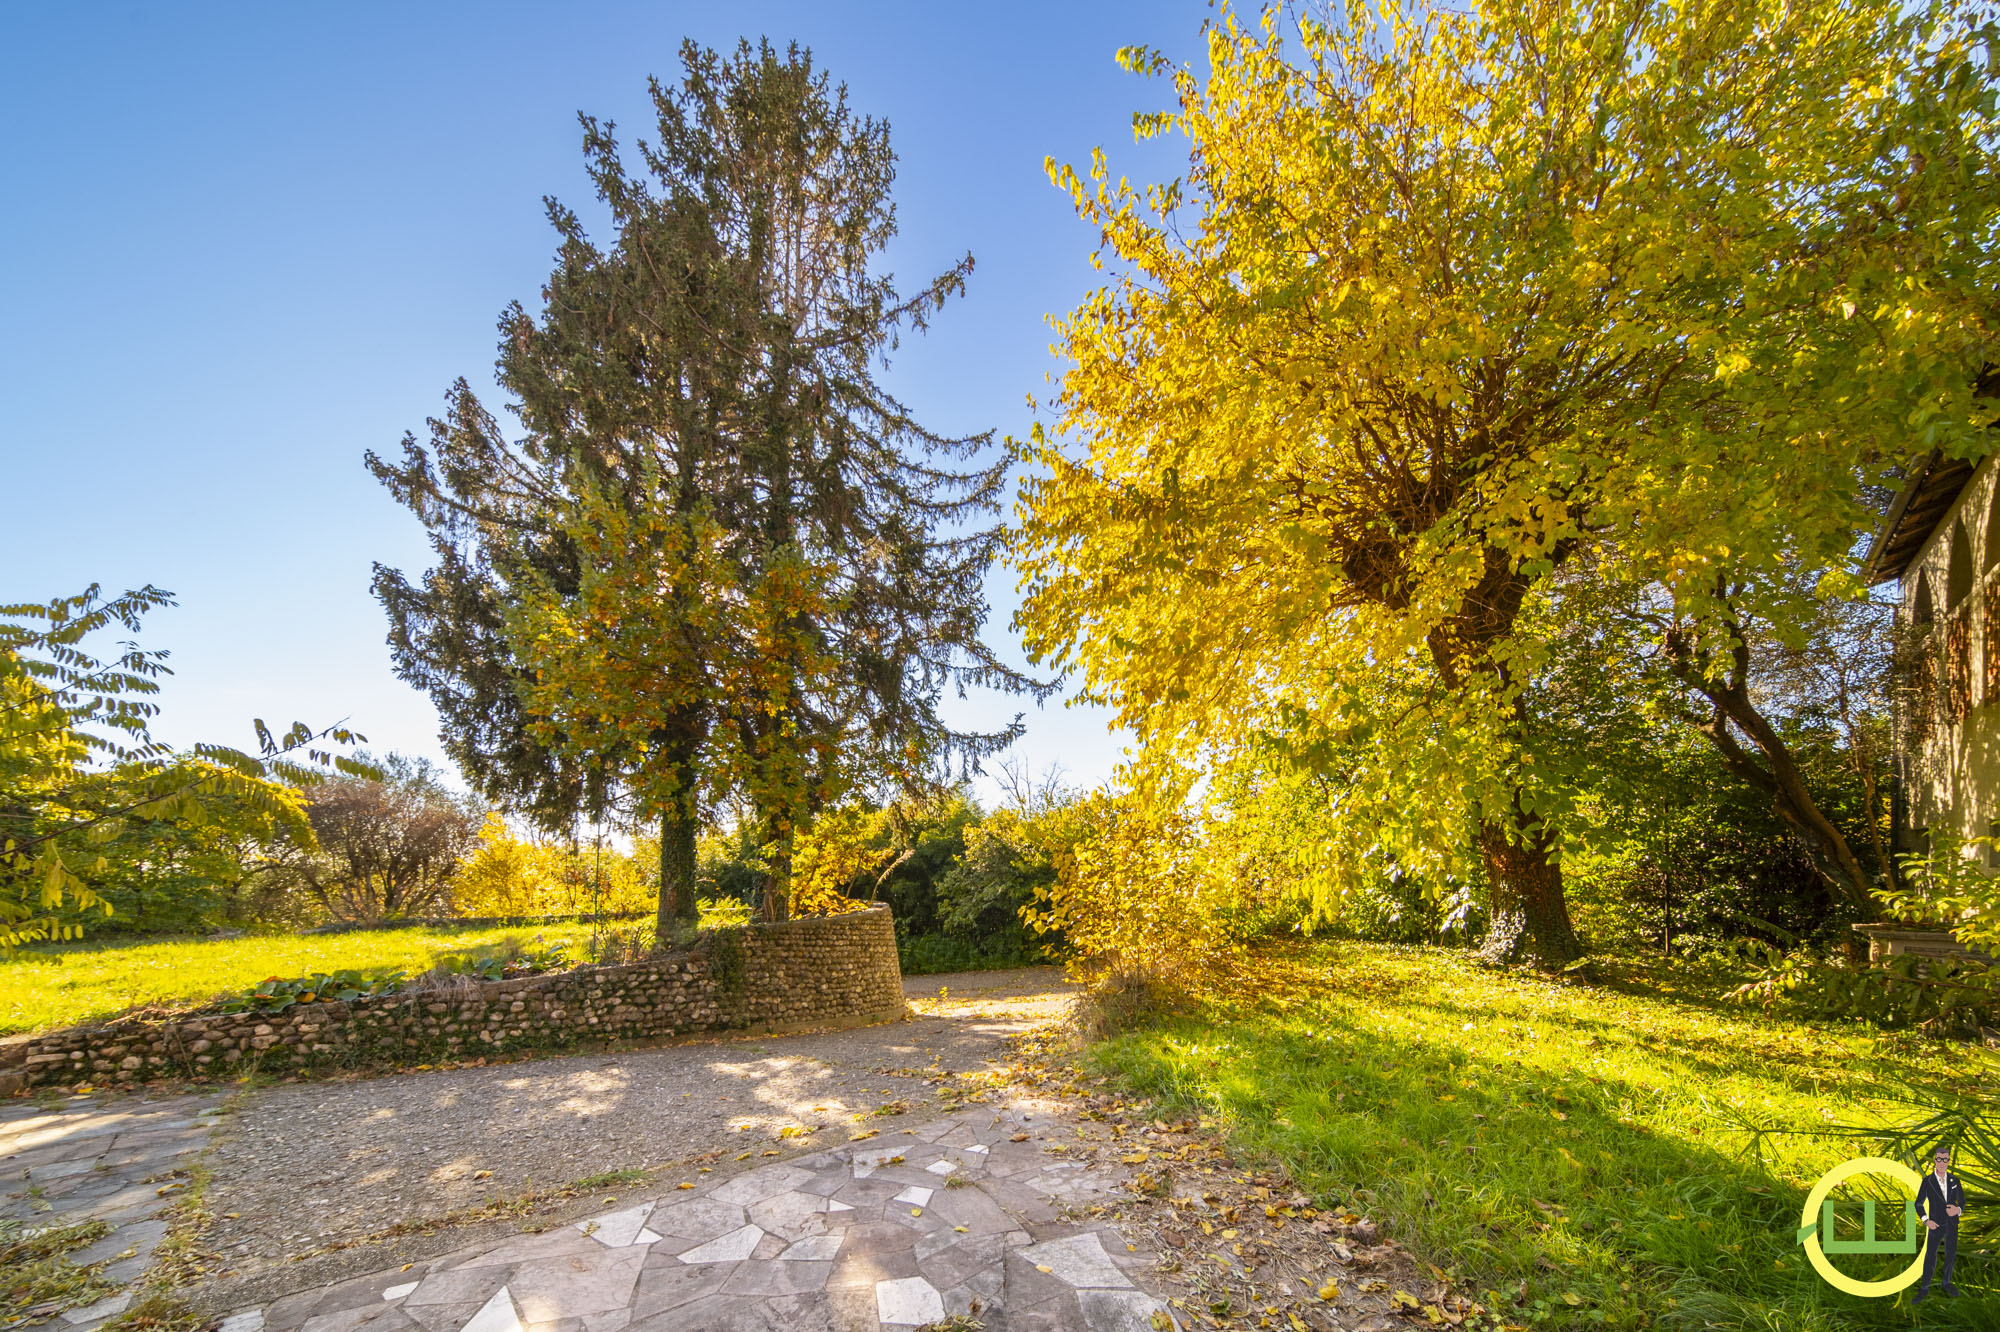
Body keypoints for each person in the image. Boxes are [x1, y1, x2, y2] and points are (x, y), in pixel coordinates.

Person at [1914, 1143, 1965, 1301]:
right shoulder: (1927, 1181)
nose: (1942, 1162)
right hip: (1935, 1223)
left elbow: (1962, 1201)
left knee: (1951, 1253)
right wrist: (1926, 1220)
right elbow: (1918, 1203)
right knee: (1930, 1255)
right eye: (1939, 1159)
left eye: (1945, 1160)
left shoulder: (1954, 1180)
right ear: (1935, 1160)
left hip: (1952, 1223)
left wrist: (1957, 1210)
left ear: (1949, 1161)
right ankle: (1924, 1287)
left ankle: (1946, 1283)